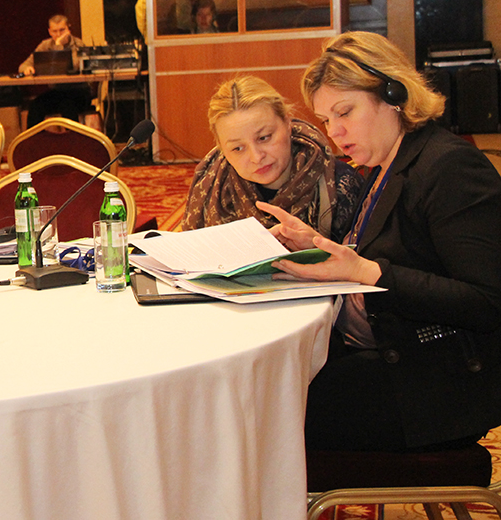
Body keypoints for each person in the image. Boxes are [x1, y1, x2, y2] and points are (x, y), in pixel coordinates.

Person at [258, 31, 501, 453]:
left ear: (394, 94)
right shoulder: (384, 165)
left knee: (262, 414)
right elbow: (397, 251)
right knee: (260, 384)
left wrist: (367, 272)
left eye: (345, 112)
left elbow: (487, 301)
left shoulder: (449, 167)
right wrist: (315, 243)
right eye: (326, 120)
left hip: (431, 380)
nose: (335, 132)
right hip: (384, 350)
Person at [182, 75, 362, 242]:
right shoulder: (210, 188)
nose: (256, 157)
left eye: (264, 138)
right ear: (222, 149)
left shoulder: (341, 185)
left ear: (287, 123)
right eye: (237, 148)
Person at [18, 14, 93, 127]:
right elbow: (23, 65)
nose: (58, 35)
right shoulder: (45, 45)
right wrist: (27, 68)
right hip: (57, 91)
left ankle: (73, 137)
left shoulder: (78, 44)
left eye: (62, 30)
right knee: (35, 106)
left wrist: (59, 46)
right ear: (49, 31)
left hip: (79, 91)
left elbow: (72, 66)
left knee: (67, 106)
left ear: (69, 29)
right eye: (55, 31)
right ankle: (35, 137)